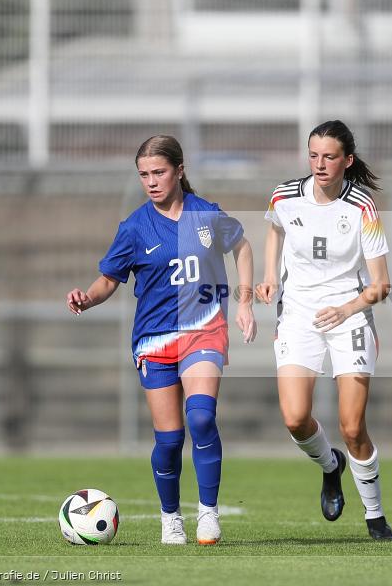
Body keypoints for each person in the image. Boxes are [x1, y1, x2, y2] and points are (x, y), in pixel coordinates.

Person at [65, 135, 256, 546]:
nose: (151, 181)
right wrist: (87, 297)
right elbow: (107, 281)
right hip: (155, 340)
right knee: (169, 440)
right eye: (144, 175)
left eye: (159, 172)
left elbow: (242, 246)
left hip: (204, 328)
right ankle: (171, 517)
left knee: (201, 417)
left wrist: (244, 303)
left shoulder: (206, 214)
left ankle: (207, 513)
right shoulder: (134, 227)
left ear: (179, 170)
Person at [255, 120, 392, 540]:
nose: (319, 164)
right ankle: (331, 465)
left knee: (353, 427)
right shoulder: (285, 195)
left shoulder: (362, 207)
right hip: (298, 316)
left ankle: (375, 518)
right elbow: (275, 229)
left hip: (349, 316)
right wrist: (270, 276)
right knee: (295, 417)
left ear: (347, 161)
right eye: (313, 155)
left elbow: (381, 285)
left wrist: (347, 308)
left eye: (329, 156)